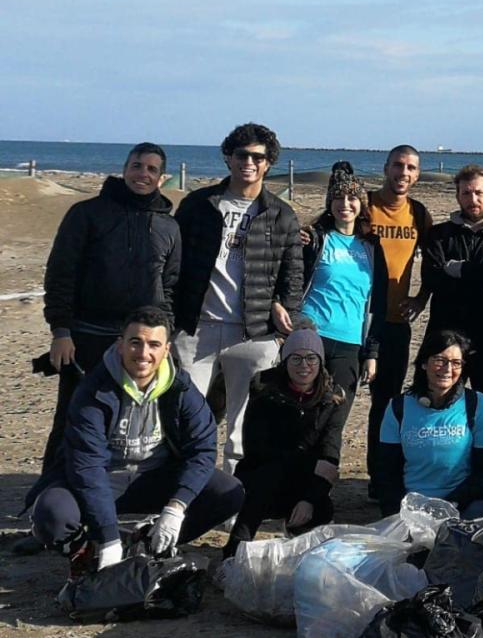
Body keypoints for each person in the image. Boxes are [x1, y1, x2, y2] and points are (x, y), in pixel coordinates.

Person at [26, 307, 244, 573]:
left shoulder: (182, 388)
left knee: (229, 493)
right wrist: (108, 538)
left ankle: (151, 540)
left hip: (156, 476)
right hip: (103, 478)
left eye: (154, 345)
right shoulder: (93, 390)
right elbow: (86, 466)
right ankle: (86, 552)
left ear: (166, 350)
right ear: (120, 346)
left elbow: (203, 449)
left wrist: (176, 509)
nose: (143, 353)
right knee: (49, 513)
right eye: (135, 343)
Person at [39, 142, 181, 478]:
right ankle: (50, 492)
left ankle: (117, 490)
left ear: (162, 178)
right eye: (137, 166)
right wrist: (61, 331)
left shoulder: (169, 226)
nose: (142, 174)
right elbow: (61, 273)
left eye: (151, 169)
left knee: (135, 419)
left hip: (143, 342)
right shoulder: (87, 213)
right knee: (75, 415)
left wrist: (165, 335)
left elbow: (172, 286)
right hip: (87, 335)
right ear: (124, 169)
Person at [172, 122, 302, 473]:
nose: (249, 162)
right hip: (195, 328)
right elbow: (173, 264)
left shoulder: (280, 213)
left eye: (258, 157)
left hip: (253, 332)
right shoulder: (199, 205)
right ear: (228, 157)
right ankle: (187, 489)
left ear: (268, 163)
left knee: (242, 426)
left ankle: (231, 492)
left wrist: (283, 313)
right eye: (242, 154)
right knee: (189, 417)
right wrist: (169, 320)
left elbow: (292, 272)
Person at [225, 327, 352, 555]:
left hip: (304, 478)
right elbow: (256, 447)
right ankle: (234, 551)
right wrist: (310, 462)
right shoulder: (264, 391)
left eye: (311, 358)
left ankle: (305, 542)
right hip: (264, 474)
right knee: (263, 480)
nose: (304, 366)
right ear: (285, 361)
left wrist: (309, 498)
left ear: (320, 361)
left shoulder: (333, 399)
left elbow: (330, 453)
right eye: (296, 358)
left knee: (321, 506)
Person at [363, 145, 434, 493]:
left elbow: (434, 264)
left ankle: (379, 478)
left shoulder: (419, 214)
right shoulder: (365, 205)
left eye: (411, 168)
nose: (403, 173)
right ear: (386, 168)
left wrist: (421, 298)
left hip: (395, 323)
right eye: (397, 166)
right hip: (354, 321)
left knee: (386, 402)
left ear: (417, 174)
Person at [372, 330, 483, 518]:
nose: (448, 369)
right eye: (440, 360)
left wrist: (451, 505)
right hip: (411, 508)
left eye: (456, 363)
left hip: (462, 505)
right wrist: (397, 513)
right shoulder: (398, 407)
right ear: (424, 363)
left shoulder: (478, 405)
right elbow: (386, 470)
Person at [422, 164, 483, 417]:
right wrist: (482, 272)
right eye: (466, 193)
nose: (473, 199)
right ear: (458, 195)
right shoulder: (439, 235)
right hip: (446, 334)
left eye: (479, 193)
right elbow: (432, 278)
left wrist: (458, 270)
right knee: (442, 405)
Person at [300, 162, 388, 395]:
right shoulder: (315, 239)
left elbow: (378, 303)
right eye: (338, 198)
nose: (345, 204)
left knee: (334, 419)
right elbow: (291, 282)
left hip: (351, 342)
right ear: (330, 203)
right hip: (310, 335)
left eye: (352, 198)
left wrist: (371, 354)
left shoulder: (372, 247)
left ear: (362, 205)